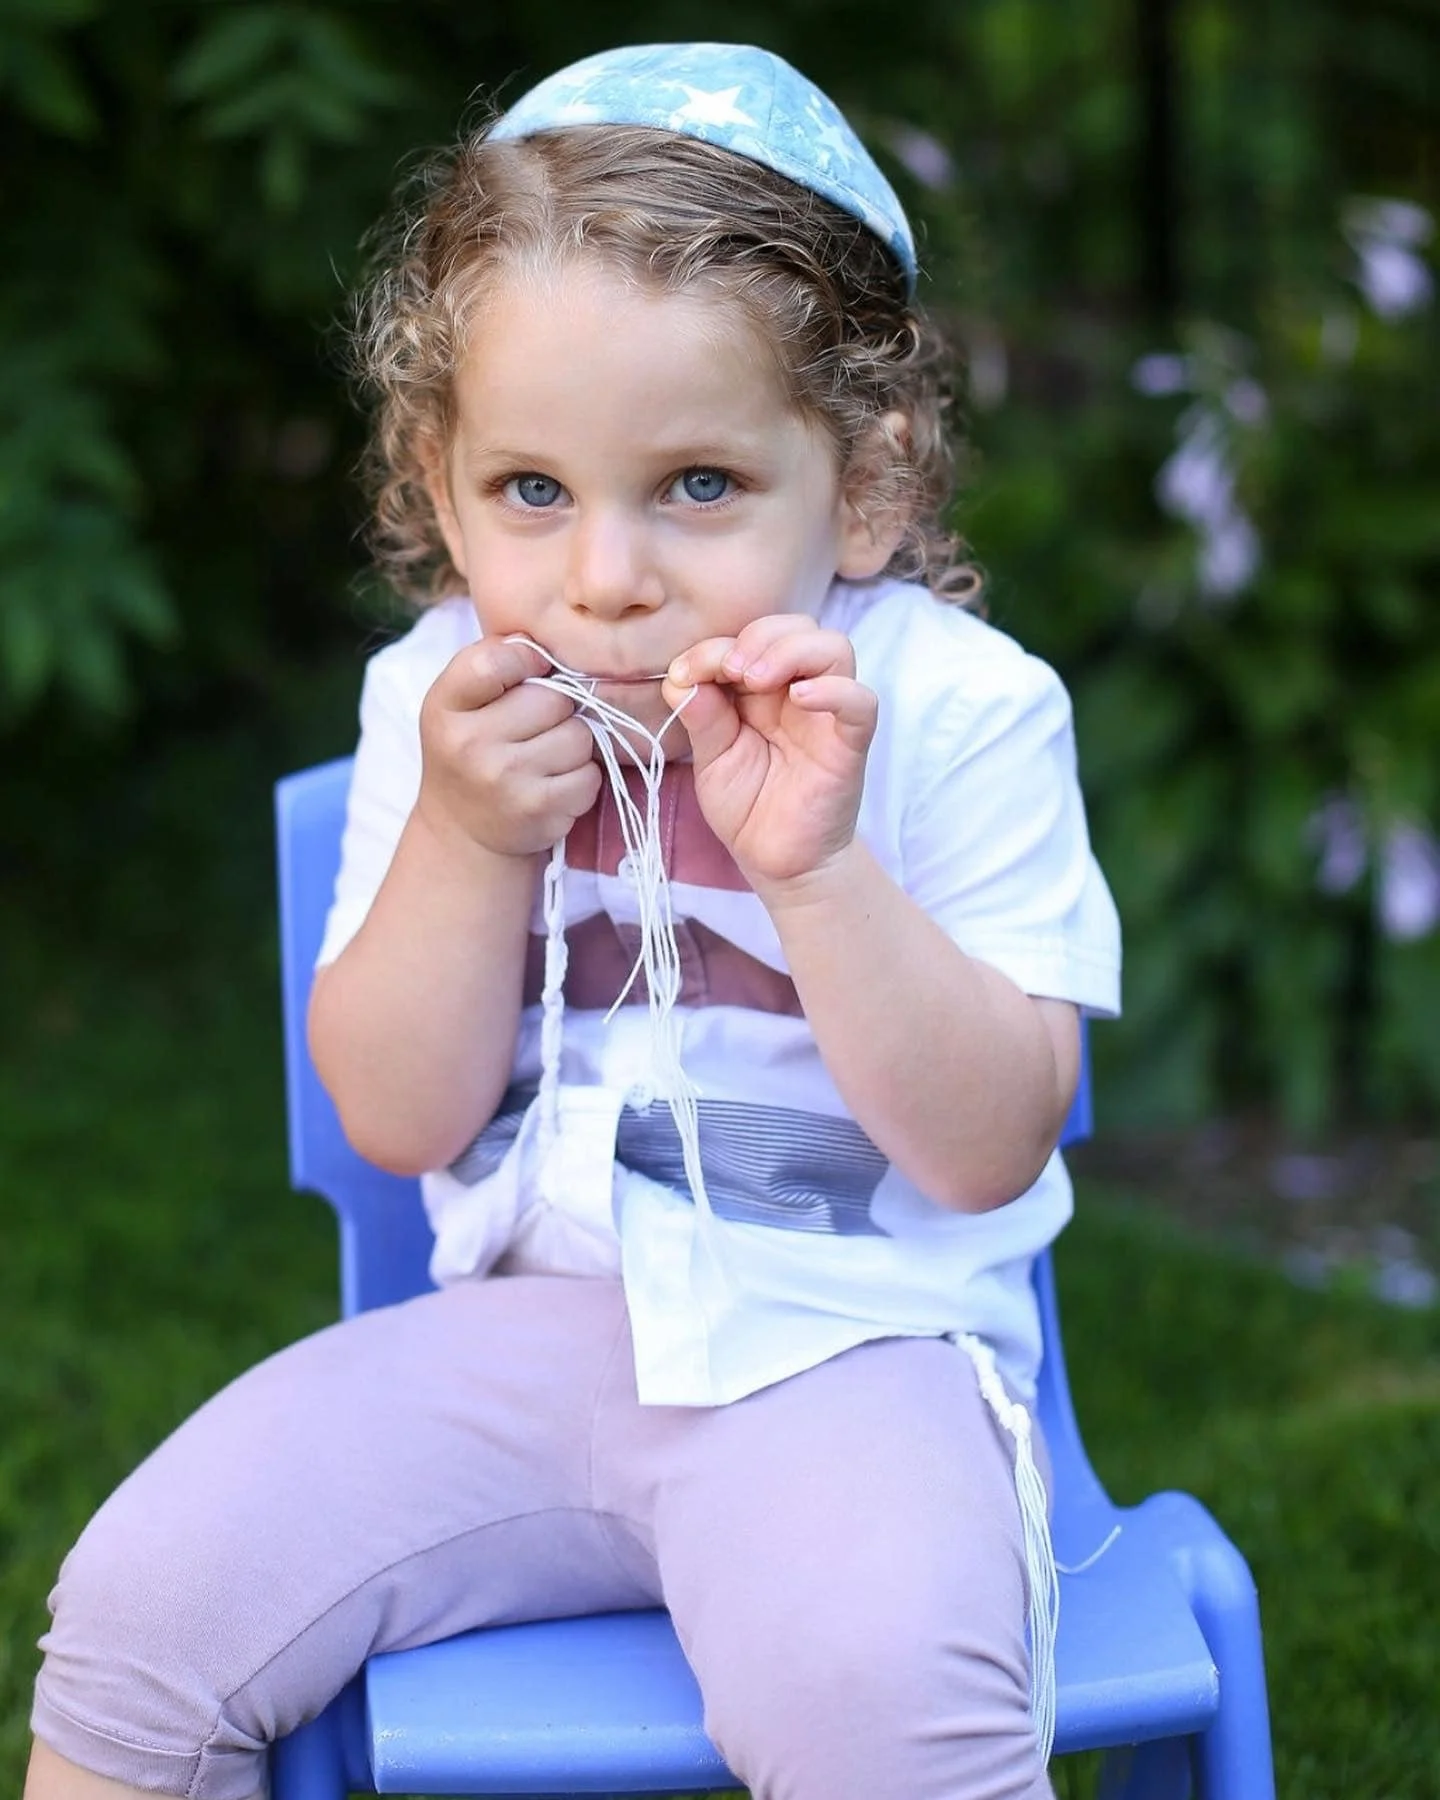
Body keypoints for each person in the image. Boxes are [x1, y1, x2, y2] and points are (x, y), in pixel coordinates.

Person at [27, 41, 1120, 1800]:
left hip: (855, 1354)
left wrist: (816, 872)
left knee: (879, 1689)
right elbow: (401, 1118)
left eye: (698, 485)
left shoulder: (961, 710)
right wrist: (466, 844)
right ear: (442, 486)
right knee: (146, 1608)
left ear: (869, 481)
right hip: (517, 1347)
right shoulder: (436, 702)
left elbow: (991, 1147)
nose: (606, 577)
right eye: (533, 493)